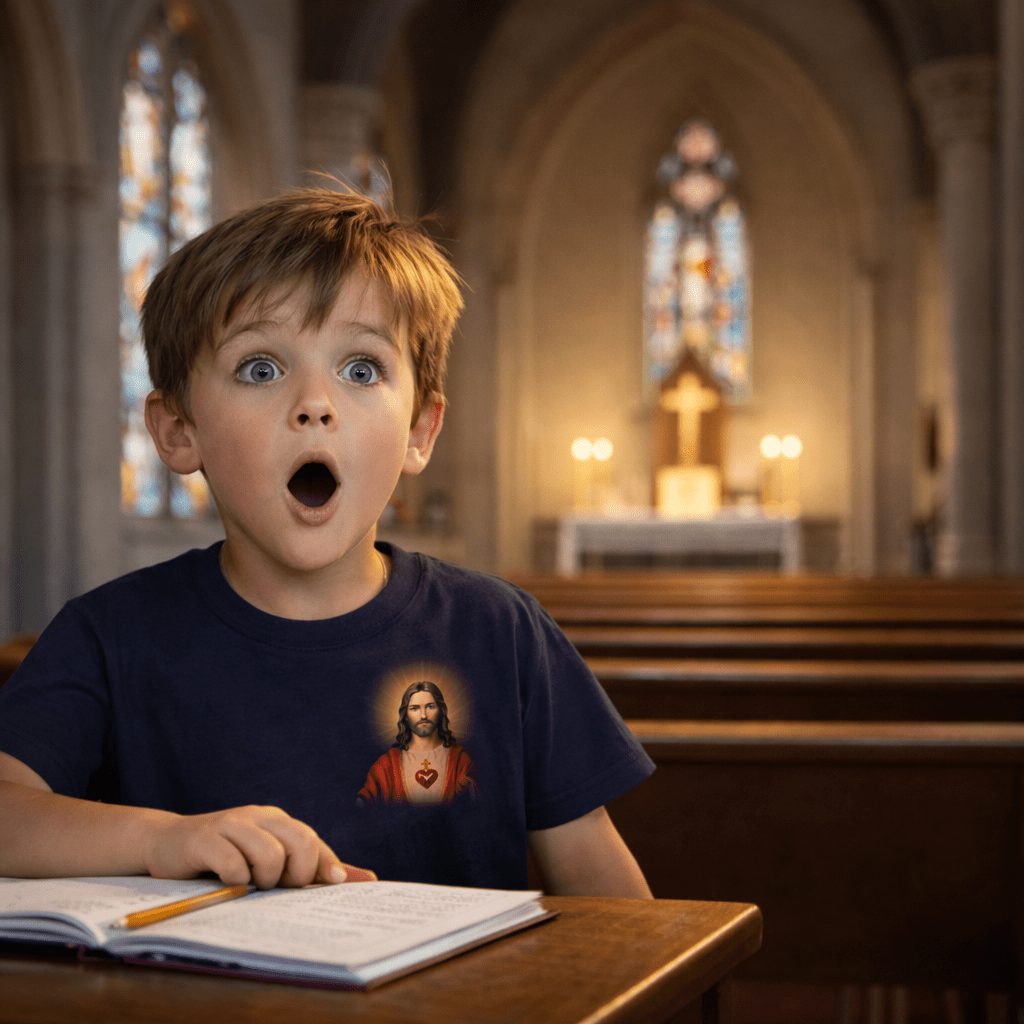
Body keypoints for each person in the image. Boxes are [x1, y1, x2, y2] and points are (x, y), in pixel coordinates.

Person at [0, 188, 654, 897]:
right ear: (178, 430)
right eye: (261, 368)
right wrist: (162, 838)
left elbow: (607, 895)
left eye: (361, 369)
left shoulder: (501, 632)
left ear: (419, 432)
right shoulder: (109, 637)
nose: (315, 405)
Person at [357, 681, 477, 805]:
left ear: (440, 711)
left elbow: (481, 803)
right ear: (406, 716)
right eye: (414, 708)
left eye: (430, 706)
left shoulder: (460, 760)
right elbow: (363, 803)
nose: (423, 715)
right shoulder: (386, 766)